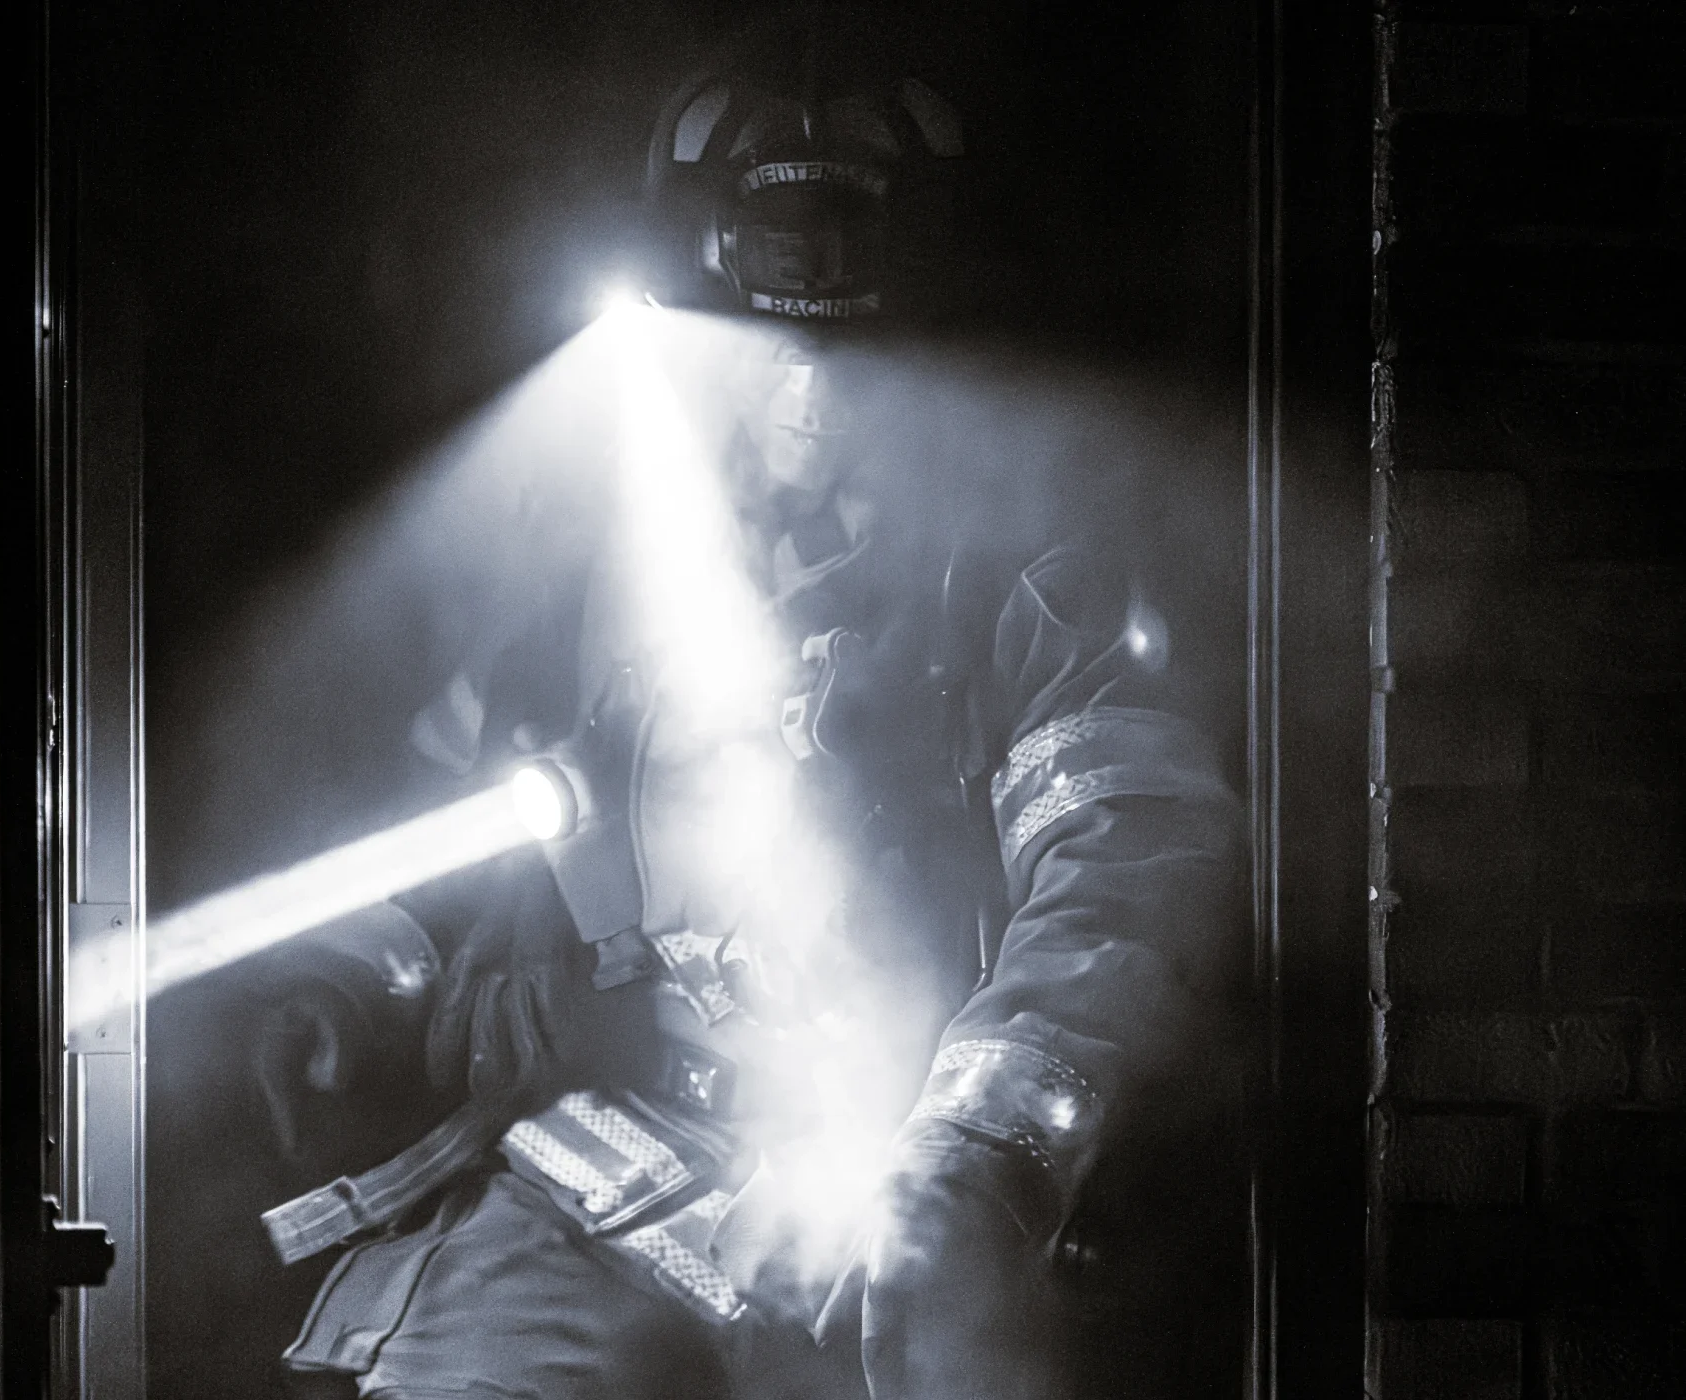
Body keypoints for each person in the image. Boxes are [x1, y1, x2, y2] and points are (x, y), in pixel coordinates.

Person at [258, 35, 1247, 1400]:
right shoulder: (589, 564)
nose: (802, 395)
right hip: (602, 1170)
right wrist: (356, 983)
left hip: (890, 1193)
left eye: (848, 350)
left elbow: (1125, 867)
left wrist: (977, 1160)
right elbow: (447, 817)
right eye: (762, 348)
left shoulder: (1026, 579)